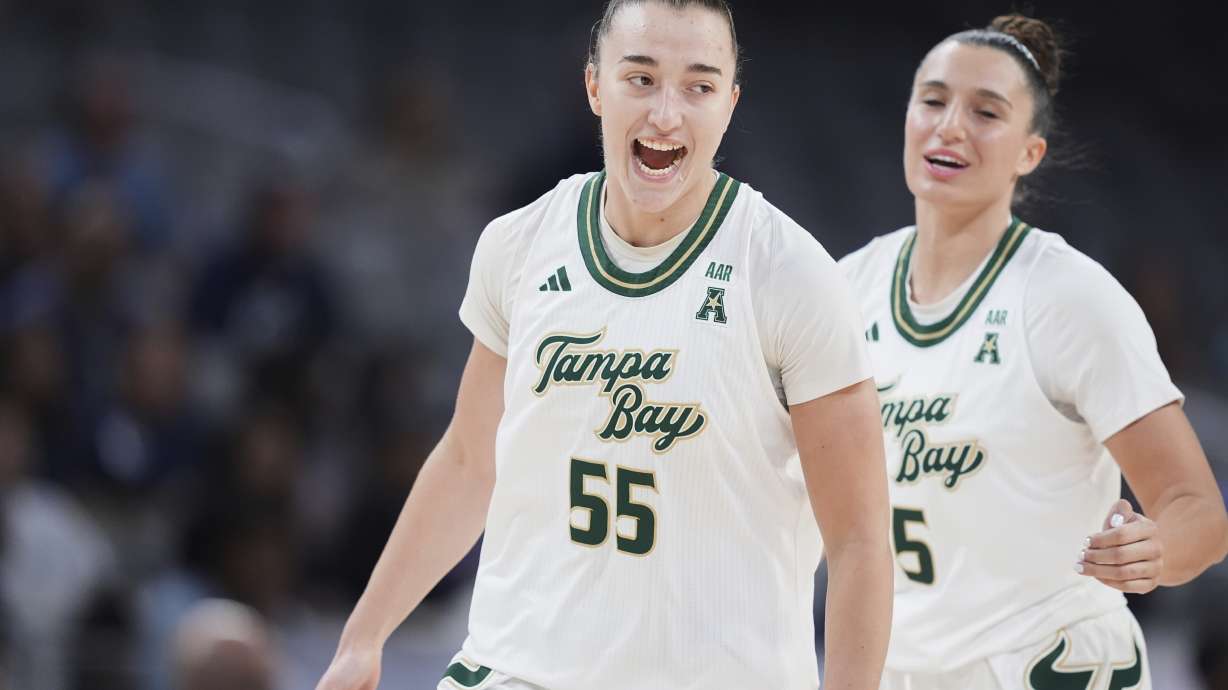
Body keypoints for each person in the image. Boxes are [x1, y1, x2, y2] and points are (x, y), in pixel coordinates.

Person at [316, 1, 893, 689]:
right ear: (595, 86)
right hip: (519, 666)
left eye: (698, 87)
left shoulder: (790, 273)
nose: (666, 114)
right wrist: (365, 633)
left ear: (730, 105)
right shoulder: (521, 243)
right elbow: (470, 458)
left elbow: (859, 541)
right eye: (640, 79)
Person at [838, 14, 1228, 689]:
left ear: (1030, 152)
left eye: (986, 111)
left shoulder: (1068, 298)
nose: (950, 125)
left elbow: (1198, 510)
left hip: (1048, 669)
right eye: (932, 100)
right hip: (906, 670)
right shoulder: (846, 289)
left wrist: (1156, 551)